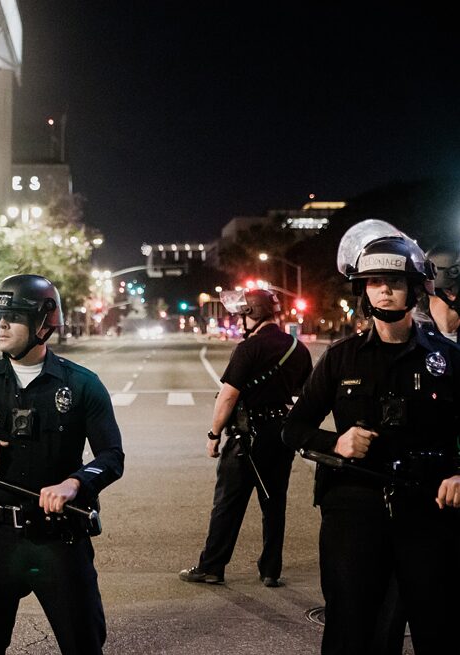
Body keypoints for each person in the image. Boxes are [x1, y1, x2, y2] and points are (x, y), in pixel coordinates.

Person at [283, 224, 460, 655]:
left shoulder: (448, 357)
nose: (384, 291)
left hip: (428, 509)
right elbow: (293, 428)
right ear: (364, 291)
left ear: (415, 290)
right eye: (375, 283)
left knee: (438, 625)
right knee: (351, 627)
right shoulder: (340, 357)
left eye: (395, 282)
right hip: (354, 510)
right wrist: (335, 443)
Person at [0, 274, 124, 655]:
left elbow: (112, 457)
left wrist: (75, 484)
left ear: (42, 325)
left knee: (84, 643)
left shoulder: (82, 384)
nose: (1, 325)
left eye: (13, 317)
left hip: (61, 538)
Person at [179, 288, 312, 587]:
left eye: (241, 315)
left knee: (228, 503)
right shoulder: (297, 348)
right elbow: (305, 394)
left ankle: (212, 567)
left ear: (253, 314)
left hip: (247, 436)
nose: (239, 321)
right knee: (274, 502)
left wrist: (214, 434)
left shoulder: (249, 348)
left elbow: (227, 396)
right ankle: (270, 570)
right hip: (281, 435)